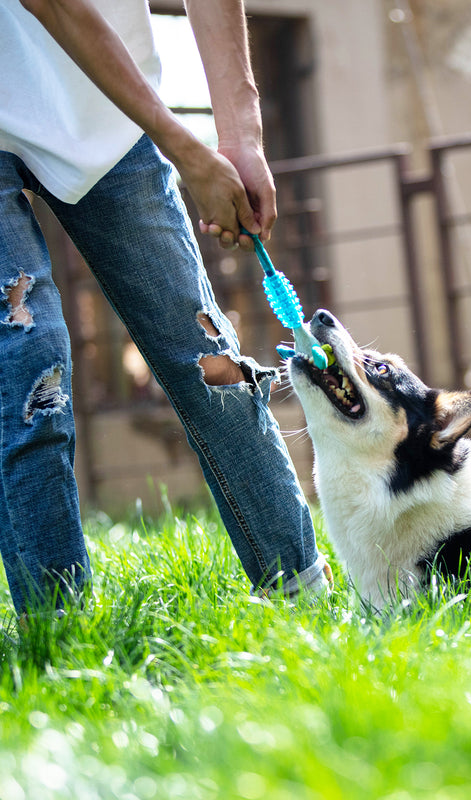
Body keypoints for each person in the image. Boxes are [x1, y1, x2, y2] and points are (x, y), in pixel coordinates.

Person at [0, 0, 331, 615]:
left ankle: (303, 600)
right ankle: (59, 632)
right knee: (28, 368)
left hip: (106, 113)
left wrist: (240, 137)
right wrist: (186, 148)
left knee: (209, 357)